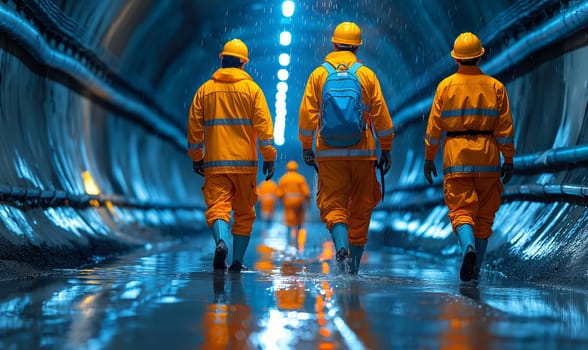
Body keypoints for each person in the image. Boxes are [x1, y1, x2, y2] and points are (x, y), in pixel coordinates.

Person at [298, 22, 394, 274]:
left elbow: (307, 116)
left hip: (330, 153)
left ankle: (340, 247)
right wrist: (386, 148)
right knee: (361, 208)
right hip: (363, 153)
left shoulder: (319, 74)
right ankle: (353, 269)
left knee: (333, 204)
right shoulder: (367, 75)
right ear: (358, 47)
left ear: (333, 44)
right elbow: (382, 116)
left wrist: (307, 146)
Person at [423, 32, 515, 282]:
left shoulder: (445, 87)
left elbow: (434, 128)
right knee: (484, 216)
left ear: (456, 60)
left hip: (457, 156)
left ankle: (468, 248)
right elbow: (505, 128)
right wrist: (508, 159)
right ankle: (475, 270)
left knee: (461, 210)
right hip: (488, 156)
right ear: (479, 58)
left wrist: (429, 156)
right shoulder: (495, 87)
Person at [187, 38, 277, 272]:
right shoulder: (252, 90)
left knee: (218, 208)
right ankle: (237, 262)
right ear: (243, 64)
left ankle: (221, 242)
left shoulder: (204, 91)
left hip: (215, 165)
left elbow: (194, 128)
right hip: (245, 166)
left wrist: (197, 157)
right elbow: (264, 128)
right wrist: (269, 156)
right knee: (245, 213)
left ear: (222, 60)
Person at [276, 160, 310, 245]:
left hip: (288, 203)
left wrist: (282, 201)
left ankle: (288, 240)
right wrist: (307, 202)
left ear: (287, 168)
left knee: (289, 221)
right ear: (296, 168)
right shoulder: (300, 178)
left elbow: (279, 193)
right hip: (299, 203)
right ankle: (298, 239)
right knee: (299, 221)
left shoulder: (284, 179)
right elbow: (306, 192)